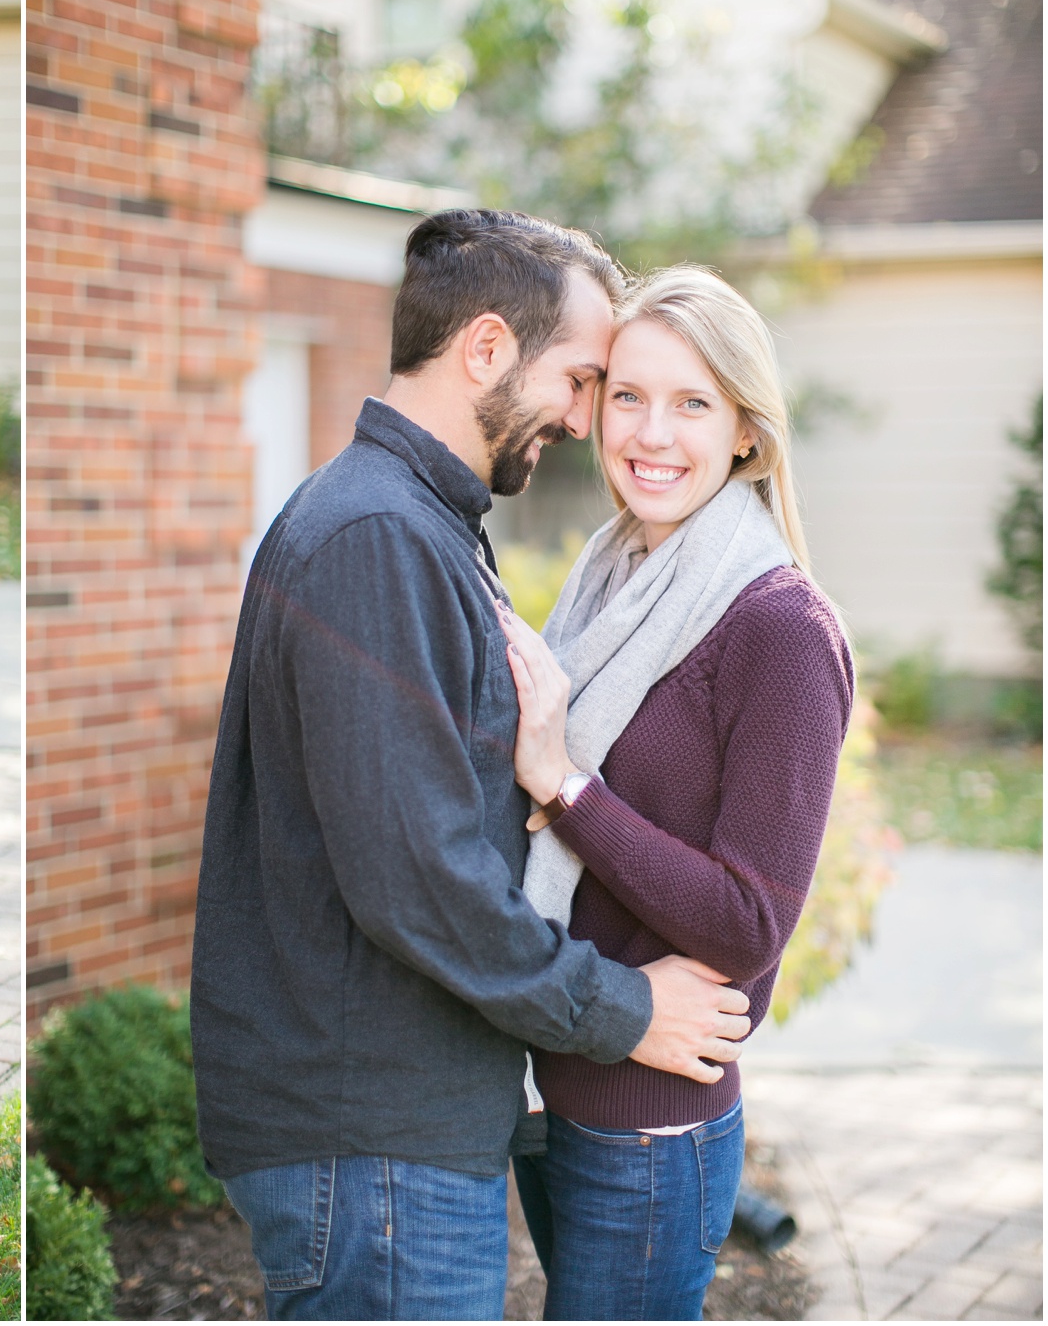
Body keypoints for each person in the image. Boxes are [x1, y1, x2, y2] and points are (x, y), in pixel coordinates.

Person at [189, 210, 759, 1321]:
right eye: (584, 379)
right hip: (368, 1143)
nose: (590, 418)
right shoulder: (376, 538)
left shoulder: (417, 524)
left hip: (390, 1137)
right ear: (486, 349)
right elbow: (422, 882)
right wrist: (621, 1008)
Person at [494, 267, 852, 1320]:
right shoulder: (609, 576)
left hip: (650, 1126)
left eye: (692, 402)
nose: (651, 432)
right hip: (560, 1083)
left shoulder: (776, 627)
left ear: (745, 429)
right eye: (629, 395)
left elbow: (748, 922)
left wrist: (564, 782)